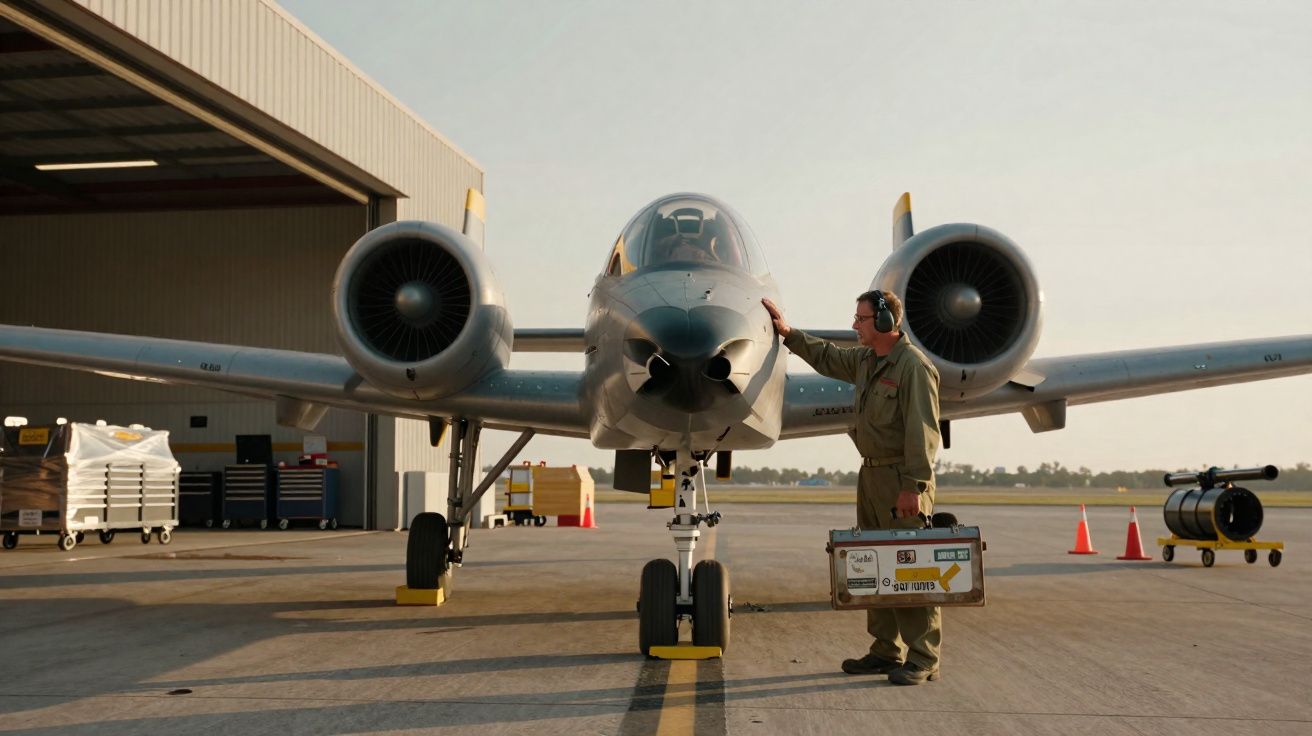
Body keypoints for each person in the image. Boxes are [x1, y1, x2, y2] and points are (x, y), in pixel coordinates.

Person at [762, 291, 943, 686]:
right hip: (872, 476)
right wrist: (788, 333)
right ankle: (885, 650)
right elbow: (827, 356)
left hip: (902, 480)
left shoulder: (913, 367)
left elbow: (924, 432)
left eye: (860, 319)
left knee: (909, 569)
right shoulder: (866, 361)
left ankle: (924, 657)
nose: (854, 325)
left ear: (883, 323)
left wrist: (914, 486)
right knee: (877, 566)